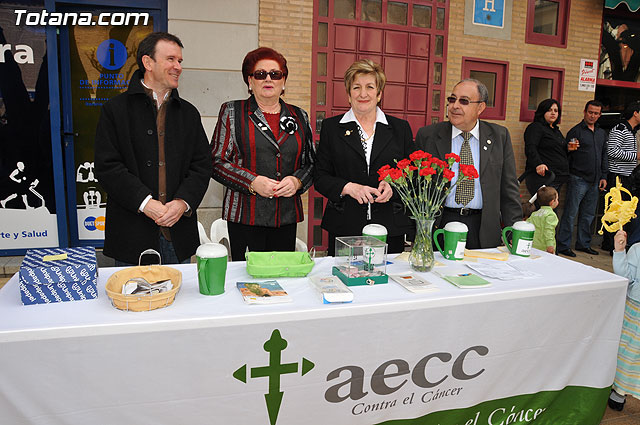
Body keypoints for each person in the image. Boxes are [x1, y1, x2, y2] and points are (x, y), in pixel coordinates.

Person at [94, 32, 211, 265]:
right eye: (171, 59)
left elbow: (202, 166)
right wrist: (145, 203)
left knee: (178, 300)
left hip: (177, 234)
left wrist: (182, 203)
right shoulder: (115, 110)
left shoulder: (189, 113)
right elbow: (108, 167)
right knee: (132, 300)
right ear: (148, 62)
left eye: (180, 61)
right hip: (131, 235)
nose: (178, 66)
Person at [211, 47, 315, 261]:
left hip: (285, 217)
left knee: (282, 277)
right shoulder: (232, 111)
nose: (268, 79)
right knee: (248, 281)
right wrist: (252, 182)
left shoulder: (300, 115)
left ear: (283, 81)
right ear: (250, 81)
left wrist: (297, 182)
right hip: (245, 216)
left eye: (275, 74)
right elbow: (216, 161)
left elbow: (312, 163)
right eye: (260, 74)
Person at [314, 59, 414, 255]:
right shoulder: (332, 128)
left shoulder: (400, 129)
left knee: (387, 282)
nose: (363, 93)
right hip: (344, 226)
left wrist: (394, 186)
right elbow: (320, 176)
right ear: (348, 94)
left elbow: (412, 173)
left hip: (389, 226)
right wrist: (348, 187)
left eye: (370, 87)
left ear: (379, 94)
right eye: (356, 87)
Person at [415, 78, 521, 249]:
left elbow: (509, 189)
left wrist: (513, 231)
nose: (455, 106)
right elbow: (417, 187)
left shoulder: (499, 136)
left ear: (480, 108)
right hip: (441, 225)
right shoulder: (428, 136)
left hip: (483, 227)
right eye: (452, 99)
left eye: (463, 101)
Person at [556, 100, 608, 257]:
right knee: (570, 213)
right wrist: (570, 150)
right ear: (584, 112)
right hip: (578, 178)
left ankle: (583, 244)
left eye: (596, 113)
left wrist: (604, 176)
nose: (592, 116)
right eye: (590, 112)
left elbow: (604, 155)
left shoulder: (601, 133)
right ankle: (564, 245)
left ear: (600, 115)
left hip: (595, 179)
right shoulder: (575, 131)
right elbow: (568, 155)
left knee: (588, 215)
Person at [608, 229, 640, 411]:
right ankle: (619, 391)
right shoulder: (637, 250)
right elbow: (625, 278)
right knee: (626, 353)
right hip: (635, 312)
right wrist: (619, 251)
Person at [602, 101, 640, 253]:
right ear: (635, 113)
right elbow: (612, 151)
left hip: (627, 176)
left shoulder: (631, 130)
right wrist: (635, 156)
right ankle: (611, 245)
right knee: (616, 212)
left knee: (623, 212)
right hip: (618, 176)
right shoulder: (620, 129)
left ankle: (615, 244)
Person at [523, 99, 575, 198]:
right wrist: (538, 164)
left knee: (551, 209)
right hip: (545, 177)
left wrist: (568, 149)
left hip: (559, 176)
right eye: (549, 110)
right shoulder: (535, 127)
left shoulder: (556, 130)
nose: (553, 113)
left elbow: (557, 151)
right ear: (542, 112)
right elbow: (531, 147)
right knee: (544, 209)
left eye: (556, 111)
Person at [526, 186, 559, 254]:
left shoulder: (534, 214)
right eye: (557, 199)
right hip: (545, 248)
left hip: (532, 246)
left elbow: (527, 227)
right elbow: (549, 231)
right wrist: (550, 245)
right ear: (552, 202)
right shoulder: (551, 215)